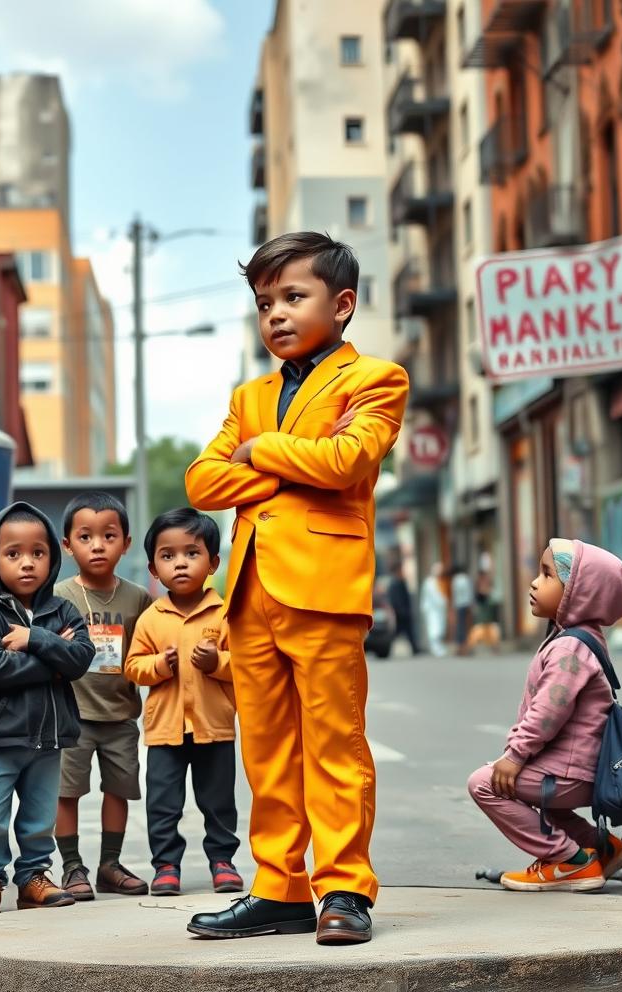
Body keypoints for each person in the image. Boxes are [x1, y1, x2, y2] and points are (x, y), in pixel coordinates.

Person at [185, 231, 409, 945]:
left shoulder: (376, 379)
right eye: (263, 302)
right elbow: (202, 481)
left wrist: (261, 451)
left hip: (324, 590)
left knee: (334, 747)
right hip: (250, 595)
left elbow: (348, 460)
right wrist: (293, 461)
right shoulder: (248, 395)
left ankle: (344, 888)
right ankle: (278, 888)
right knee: (269, 752)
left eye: (292, 296)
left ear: (341, 305)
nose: (275, 313)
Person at [467, 539, 622, 891]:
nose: (534, 582)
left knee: (484, 785)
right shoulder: (578, 637)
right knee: (547, 806)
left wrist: (514, 756)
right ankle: (603, 849)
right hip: (577, 769)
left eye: (547, 575)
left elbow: (548, 711)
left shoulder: (570, 647)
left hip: (571, 774)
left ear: (579, 593)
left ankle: (569, 861)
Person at [0, 502, 95, 915]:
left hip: (50, 738)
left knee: (40, 818)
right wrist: (54, 659)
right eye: (13, 553)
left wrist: (35, 638)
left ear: (52, 558)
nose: (27, 563)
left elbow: (79, 660)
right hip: (1, 737)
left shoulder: (64, 609)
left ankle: (34, 877)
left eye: (38, 553)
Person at [124, 508, 243, 898]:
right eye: (168, 555)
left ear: (213, 562)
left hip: (215, 726)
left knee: (218, 801)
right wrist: (159, 665)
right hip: (165, 731)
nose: (180, 563)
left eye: (192, 553)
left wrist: (218, 663)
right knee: (163, 804)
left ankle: (223, 861)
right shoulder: (150, 618)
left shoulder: (227, 614)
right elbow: (133, 666)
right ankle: (166, 866)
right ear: (154, 568)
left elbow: (246, 666)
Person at [53, 492, 151, 900]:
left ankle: (110, 865)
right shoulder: (58, 596)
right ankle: (72, 867)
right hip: (71, 714)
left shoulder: (138, 598)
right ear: (67, 545)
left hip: (120, 715)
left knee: (120, 789)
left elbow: (147, 648)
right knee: (67, 791)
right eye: (86, 536)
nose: (97, 545)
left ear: (126, 543)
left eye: (108, 535)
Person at [387, 562, 420, 655]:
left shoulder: (401, 582)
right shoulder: (394, 584)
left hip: (404, 612)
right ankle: (387, 649)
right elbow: (394, 599)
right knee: (397, 633)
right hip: (400, 613)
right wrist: (400, 610)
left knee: (408, 631)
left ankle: (415, 648)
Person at [420, 563, 448, 657]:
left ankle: (438, 647)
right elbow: (434, 596)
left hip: (438, 610)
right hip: (432, 610)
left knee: (438, 627)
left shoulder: (438, 581)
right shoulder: (430, 582)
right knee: (434, 628)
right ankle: (435, 648)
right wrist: (444, 602)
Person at [450, 564, 474, 656]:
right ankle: (466, 647)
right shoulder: (466, 579)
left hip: (459, 605)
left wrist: (453, 607)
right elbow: (469, 592)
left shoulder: (455, 580)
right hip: (466, 604)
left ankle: (461, 648)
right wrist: (470, 605)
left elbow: (454, 594)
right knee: (466, 626)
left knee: (459, 626)